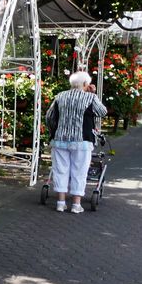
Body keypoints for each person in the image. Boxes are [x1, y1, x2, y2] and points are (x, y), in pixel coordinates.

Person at [45, 71, 107, 213]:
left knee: (60, 170)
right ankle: (76, 205)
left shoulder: (60, 96)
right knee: (79, 171)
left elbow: (49, 117)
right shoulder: (90, 98)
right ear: (85, 84)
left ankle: (60, 203)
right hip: (82, 141)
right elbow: (102, 112)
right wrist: (94, 94)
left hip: (60, 140)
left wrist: (54, 131)